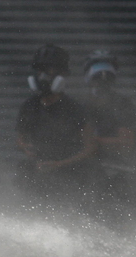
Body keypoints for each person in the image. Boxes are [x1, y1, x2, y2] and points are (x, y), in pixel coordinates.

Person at [15, 44, 99, 209]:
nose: (44, 77)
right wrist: (26, 148)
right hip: (37, 177)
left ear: (62, 75)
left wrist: (59, 164)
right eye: (40, 71)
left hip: (72, 178)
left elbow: (90, 148)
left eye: (50, 71)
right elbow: (20, 139)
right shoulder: (29, 106)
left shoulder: (75, 109)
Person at [82, 50, 136, 214]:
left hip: (116, 170)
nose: (102, 82)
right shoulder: (81, 105)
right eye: (97, 78)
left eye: (106, 78)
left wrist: (94, 143)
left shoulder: (122, 104)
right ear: (89, 80)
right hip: (83, 168)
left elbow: (126, 143)